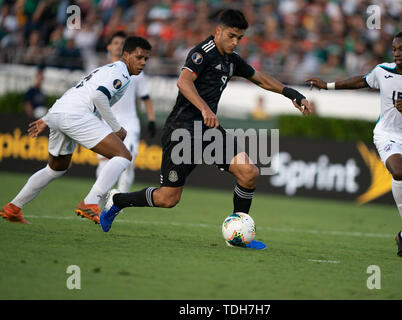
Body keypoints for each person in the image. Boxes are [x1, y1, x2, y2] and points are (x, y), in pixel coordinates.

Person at [100, 9, 312, 249]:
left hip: (209, 130)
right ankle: (118, 200)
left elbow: (260, 78)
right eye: (231, 36)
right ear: (218, 31)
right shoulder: (202, 53)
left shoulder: (232, 60)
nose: (235, 42)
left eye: (239, 38)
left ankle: (237, 237)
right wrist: (204, 109)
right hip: (182, 130)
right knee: (168, 199)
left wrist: (291, 93)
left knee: (249, 172)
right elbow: (184, 81)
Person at [306, 31, 402, 258]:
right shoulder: (383, 71)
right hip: (386, 134)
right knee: (398, 172)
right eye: (394, 49)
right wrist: (327, 85)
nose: (397, 53)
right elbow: (361, 81)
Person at [0, 36, 152, 225]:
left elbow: (77, 90)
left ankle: (14, 207)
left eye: (146, 59)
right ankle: (90, 202)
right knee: (123, 156)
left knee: (55, 168)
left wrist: (48, 118)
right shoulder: (120, 72)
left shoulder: (104, 69)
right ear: (126, 54)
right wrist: (116, 128)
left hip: (60, 112)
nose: (143, 63)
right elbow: (98, 96)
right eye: (139, 58)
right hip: (76, 115)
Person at [96, 31, 156, 194]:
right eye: (115, 43)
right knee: (104, 164)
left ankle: (117, 203)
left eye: (121, 43)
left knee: (128, 161)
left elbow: (146, 98)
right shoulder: (103, 71)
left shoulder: (136, 73)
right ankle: (97, 200)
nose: (118, 46)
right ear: (108, 47)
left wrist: (151, 120)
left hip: (129, 122)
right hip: (107, 123)